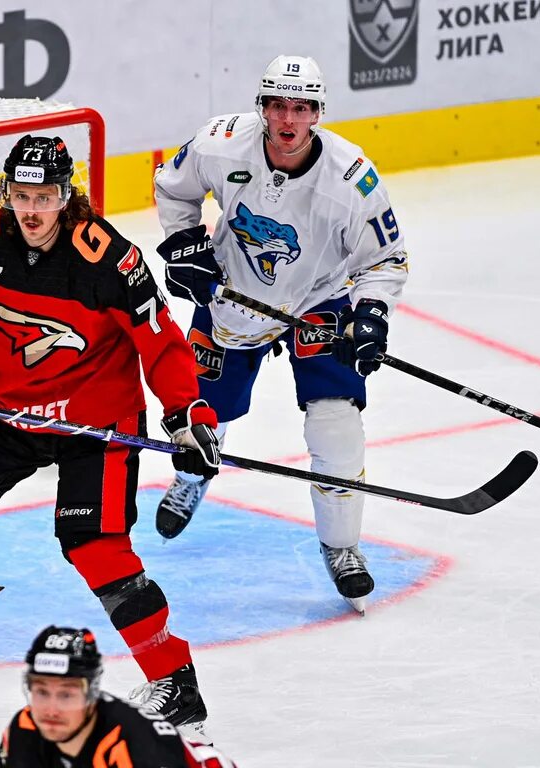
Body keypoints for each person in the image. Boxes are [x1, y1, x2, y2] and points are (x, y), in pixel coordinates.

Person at [0, 135, 221, 729]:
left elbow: (159, 340)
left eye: (45, 197)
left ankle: (174, 681)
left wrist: (188, 412)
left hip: (95, 423)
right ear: (6, 193)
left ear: (66, 196)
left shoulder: (108, 258)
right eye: (20, 195)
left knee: (95, 547)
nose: (31, 211)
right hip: (11, 414)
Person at [151, 55, 409, 613]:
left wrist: (370, 314)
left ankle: (342, 548)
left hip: (320, 300)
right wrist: (183, 245)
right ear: (262, 107)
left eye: (301, 107)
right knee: (198, 411)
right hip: (232, 295)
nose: (287, 119)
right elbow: (173, 190)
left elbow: (384, 260)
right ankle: (193, 475)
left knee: (337, 420)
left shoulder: (350, 176)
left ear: (318, 112)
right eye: (277, 105)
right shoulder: (219, 143)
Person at [0, 625, 238, 767]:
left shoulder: (132, 742)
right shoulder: (22, 731)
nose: (52, 709)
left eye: (66, 695)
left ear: (91, 694)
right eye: (42, 692)